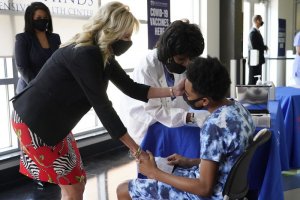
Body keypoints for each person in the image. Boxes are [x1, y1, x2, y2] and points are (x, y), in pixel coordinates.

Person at [10, 2, 184, 200]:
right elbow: (103, 108)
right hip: (35, 122)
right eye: (126, 36)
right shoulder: (86, 54)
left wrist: (173, 91)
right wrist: (137, 151)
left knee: (76, 183)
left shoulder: (103, 54)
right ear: (111, 31)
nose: (128, 42)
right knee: (73, 188)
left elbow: (131, 88)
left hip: (54, 123)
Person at [117, 56, 255, 200]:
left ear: (204, 101)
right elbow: (226, 161)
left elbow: (204, 188)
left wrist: (155, 173)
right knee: (161, 167)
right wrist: (189, 162)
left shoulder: (214, 126)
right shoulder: (239, 109)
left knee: (123, 190)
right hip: (224, 185)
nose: (184, 96)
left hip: (210, 194)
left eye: (187, 94)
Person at [120, 20, 209, 145]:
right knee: (153, 159)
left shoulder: (185, 62)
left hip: (172, 117)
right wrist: (190, 117)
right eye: (181, 59)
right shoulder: (148, 65)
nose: (187, 63)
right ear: (167, 54)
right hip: (147, 123)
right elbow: (154, 109)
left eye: (191, 58)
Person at [14, 2, 61, 94]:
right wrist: (38, 86)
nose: (43, 20)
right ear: (30, 19)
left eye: (45, 18)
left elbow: (59, 61)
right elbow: (22, 67)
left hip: (52, 86)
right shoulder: (23, 38)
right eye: (38, 18)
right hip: (29, 89)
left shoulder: (55, 38)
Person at [248, 15, 268, 85]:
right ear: (257, 21)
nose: (262, 22)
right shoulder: (253, 32)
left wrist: (264, 47)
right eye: (261, 20)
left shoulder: (256, 32)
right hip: (254, 61)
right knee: (253, 80)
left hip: (257, 60)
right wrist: (264, 47)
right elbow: (254, 47)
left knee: (257, 79)